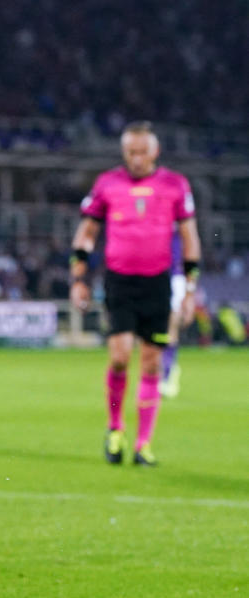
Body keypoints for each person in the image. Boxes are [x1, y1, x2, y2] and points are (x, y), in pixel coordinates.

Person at [71, 121, 200, 466]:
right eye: (131, 152)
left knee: (153, 362)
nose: (137, 158)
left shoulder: (175, 185)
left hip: (157, 282)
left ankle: (143, 444)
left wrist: (189, 289)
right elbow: (87, 231)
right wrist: (78, 277)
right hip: (120, 281)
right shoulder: (107, 183)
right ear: (123, 152)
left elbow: (189, 237)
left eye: (143, 152)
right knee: (119, 355)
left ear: (155, 151)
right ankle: (115, 430)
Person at [158, 235, 189, 398]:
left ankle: (169, 373)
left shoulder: (178, 214)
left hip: (175, 277)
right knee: (155, 329)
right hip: (153, 275)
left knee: (170, 328)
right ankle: (159, 371)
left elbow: (191, 247)